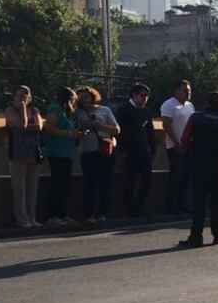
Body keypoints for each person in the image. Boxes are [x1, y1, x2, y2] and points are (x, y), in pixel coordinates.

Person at [178, 91, 218, 247]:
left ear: (206, 103)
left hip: (198, 164)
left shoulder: (195, 118)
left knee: (198, 202)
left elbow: (184, 140)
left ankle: (196, 236)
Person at [76, 86, 121, 224]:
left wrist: (99, 125)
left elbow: (116, 130)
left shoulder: (105, 110)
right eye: (81, 98)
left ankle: (103, 212)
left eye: (86, 97)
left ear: (92, 97)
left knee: (105, 182)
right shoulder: (78, 112)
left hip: (105, 150)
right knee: (91, 183)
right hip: (87, 151)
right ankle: (89, 214)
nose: (84, 100)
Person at [114, 82, 155, 218]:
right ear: (134, 95)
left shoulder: (146, 111)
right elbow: (120, 133)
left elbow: (150, 131)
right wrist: (123, 150)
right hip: (130, 151)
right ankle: (131, 208)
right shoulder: (123, 110)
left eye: (147, 96)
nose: (145, 99)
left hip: (144, 151)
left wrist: (152, 148)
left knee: (146, 179)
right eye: (142, 96)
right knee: (130, 181)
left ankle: (140, 205)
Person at [43, 87, 83, 225]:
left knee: (65, 184)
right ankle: (52, 215)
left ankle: (61, 214)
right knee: (57, 183)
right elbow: (48, 127)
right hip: (56, 152)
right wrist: (69, 134)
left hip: (67, 152)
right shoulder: (55, 109)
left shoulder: (66, 113)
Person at [6, 85, 44, 228]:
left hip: (34, 151)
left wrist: (25, 126)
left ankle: (32, 217)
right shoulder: (10, 110)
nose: (23, 98)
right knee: (19, 189)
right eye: (20, 95)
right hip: (18, 153)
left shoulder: (34, 110)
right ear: (14, 97)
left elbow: (39, 126)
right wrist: (22, 111)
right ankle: (22, 219)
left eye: (25, 95)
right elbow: (22, 124)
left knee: (32, 188)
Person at [161, 79, 195, 214]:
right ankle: (171, 205)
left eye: (190, 91)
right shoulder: (169, 105)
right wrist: (176, 142)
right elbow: (166, 125)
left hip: (188, 146)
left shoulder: (190, 106)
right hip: (175, 146)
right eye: (185, 90)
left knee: (186, 176)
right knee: (176, 175)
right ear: (176, 91)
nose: (188, 93)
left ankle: (184, 204)